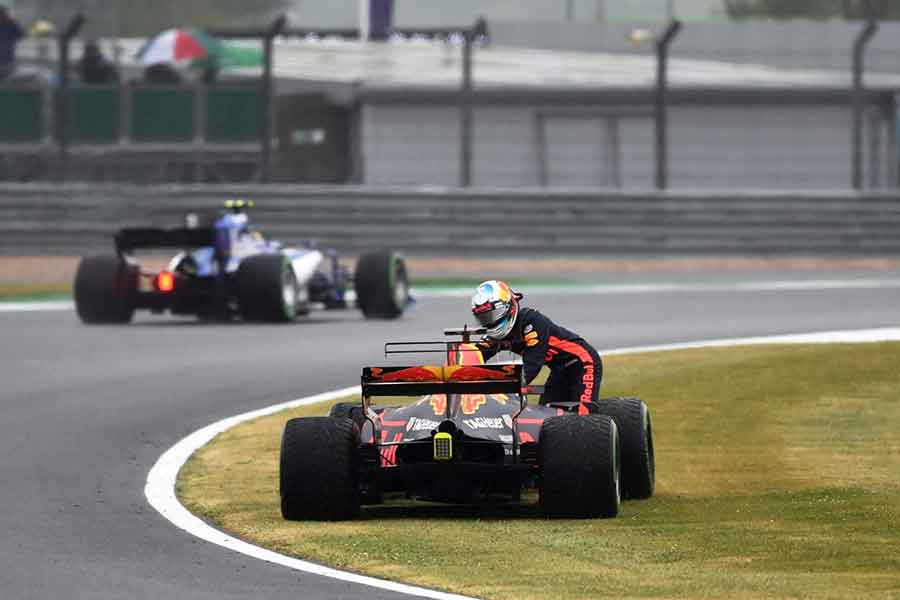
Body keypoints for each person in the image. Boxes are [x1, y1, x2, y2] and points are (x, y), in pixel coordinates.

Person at [471, 280, 602, 415]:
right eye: (484, 317)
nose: (489, 321)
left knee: (584, 415)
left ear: (508, 307)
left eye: (491, 315)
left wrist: (508, 388)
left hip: (583, 362)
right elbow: (475, 354)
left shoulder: (531, 321)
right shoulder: (496, 334)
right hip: (559, 370)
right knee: (549, 415)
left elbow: (533, 363)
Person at [0, 4, 24, 82]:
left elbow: (21, 34)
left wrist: (13, 21)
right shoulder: (10, 24)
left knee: (7, 78)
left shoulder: (10, 24)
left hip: (7, 59)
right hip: (7, 59)